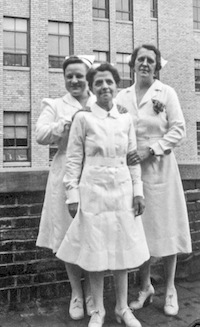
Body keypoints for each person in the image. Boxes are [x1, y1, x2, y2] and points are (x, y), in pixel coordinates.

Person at [56, 63, 150, 327]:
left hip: (122, 192)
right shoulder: (83, 119)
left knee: (122, 251)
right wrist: (72, 195)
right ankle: (98, 310)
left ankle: (122, 308)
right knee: (94, 251)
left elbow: (133, 159)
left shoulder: (125, 119)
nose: (104, 87)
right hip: (92, 193)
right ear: (92, 87)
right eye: (98, 83)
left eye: (109, 81)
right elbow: (73, 160)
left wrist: (138, 192)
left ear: (116, 84)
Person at [116, 44, 192, 316]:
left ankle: (170, 288)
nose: (145, 64)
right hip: (133, 172)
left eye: (150, 60)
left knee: (166, 226)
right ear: (132, 65)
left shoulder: (166, 93)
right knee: (140, 229)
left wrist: (152, 149)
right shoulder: (121, 96)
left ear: (157, 66)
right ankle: (146, 286)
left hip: (160, 167)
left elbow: (179, 130)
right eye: (140, 60)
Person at [36, 55, 96, 320]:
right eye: (69, 76)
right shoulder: (56, 105)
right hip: (64, 176)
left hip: (95, 174)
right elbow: (40, 135)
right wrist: (65, 123)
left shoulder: (100, 102)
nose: (74, 80)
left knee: (94, 234)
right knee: (68, 234)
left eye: (79, 75)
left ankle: (94, 294)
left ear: (88, 78)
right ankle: (76, 293)